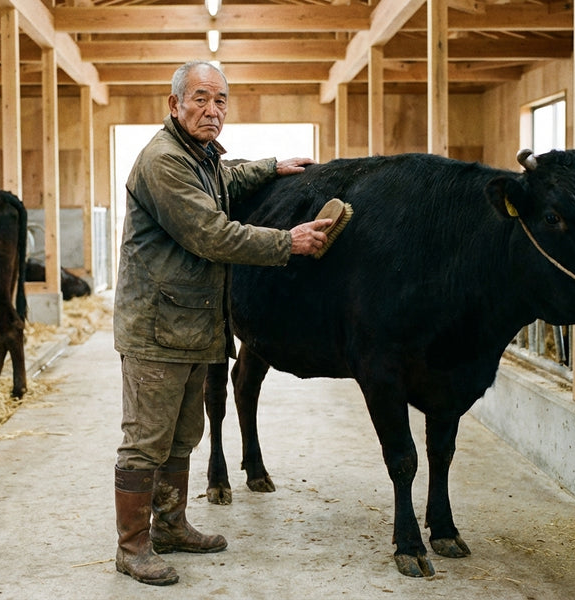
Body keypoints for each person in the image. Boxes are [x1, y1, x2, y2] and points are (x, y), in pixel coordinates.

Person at [113, 60, 332, 586]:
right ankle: (132, 547)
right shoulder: (163, 162)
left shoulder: (202, 158)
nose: (213, 110)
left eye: (221, 101)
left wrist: (272, 165)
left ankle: (170, 527)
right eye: (201, 98)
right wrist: (289, 242)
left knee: (183, 436)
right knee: (146, 440)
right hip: (156, 325)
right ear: (174, 105)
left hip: (192, 322)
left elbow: (227, 179)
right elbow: (212, 233)